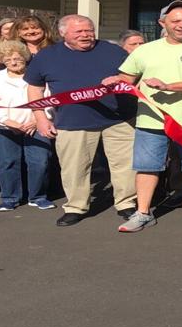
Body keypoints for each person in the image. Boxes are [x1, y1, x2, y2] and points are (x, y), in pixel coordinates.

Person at [109, 0, 182, 233]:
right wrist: (114, 81)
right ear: (163, 23)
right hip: (151, 120)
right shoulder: (145, 50)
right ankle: (143, 213)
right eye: (176, 21)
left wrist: (168, 86)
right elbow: (126, 78)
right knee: (147, 167)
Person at [24, 14, 138, 226]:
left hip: (119, 118)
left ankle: (126, 204)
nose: (86, 35)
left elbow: (132, 76)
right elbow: (34, 88)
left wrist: (120, 79)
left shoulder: (113, 50)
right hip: (72, 120)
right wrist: (40, 117)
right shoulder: (46, 56)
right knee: (74, 167)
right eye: (79, 32)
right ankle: (76, 207)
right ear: (63, 33)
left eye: (89, 30)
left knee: (125, 165)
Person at [0, 41, 56, 211]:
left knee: (40, 161)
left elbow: (50, 100)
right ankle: (10, 198)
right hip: (4, 126)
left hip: (36, 125)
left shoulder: (38, 76)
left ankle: (38, 196)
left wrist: (39, 119)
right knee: (8, 162)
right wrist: (6, 121)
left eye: (17, 58)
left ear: (25, 57)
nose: (13, 62)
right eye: (8, 60)